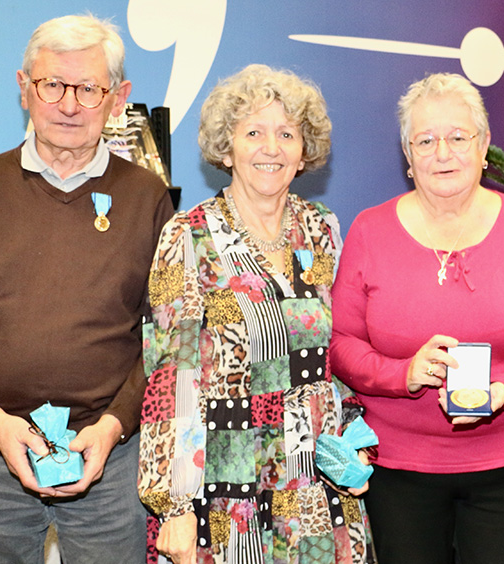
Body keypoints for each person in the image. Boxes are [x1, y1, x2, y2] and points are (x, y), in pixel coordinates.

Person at [0, 14, 173, 563]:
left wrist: (114, 426)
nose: (70, 104)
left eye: (89, 88)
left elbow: (166, 341)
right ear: (24, 88)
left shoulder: (148, 198)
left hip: (110, 465)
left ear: (118, 97)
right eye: (53, 84)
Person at [329, 73, 504, 564]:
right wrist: (402, 373)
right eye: (425, 140)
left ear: (484, 144)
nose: (441, 152)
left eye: (457, 137)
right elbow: (341, 343)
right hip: (399, 467)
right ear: (408, 153)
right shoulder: (370, 229)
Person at [138, 64, 374, 564]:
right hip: (225, 493)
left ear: (303, 150)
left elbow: (343, 348)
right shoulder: (187, 236)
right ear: (227, 148)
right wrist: (174, 503)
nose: (272, 148)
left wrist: (356, 440)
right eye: (254, 132)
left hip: (317, 485)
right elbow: (170, 379)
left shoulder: (322, 228)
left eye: (287, 133)